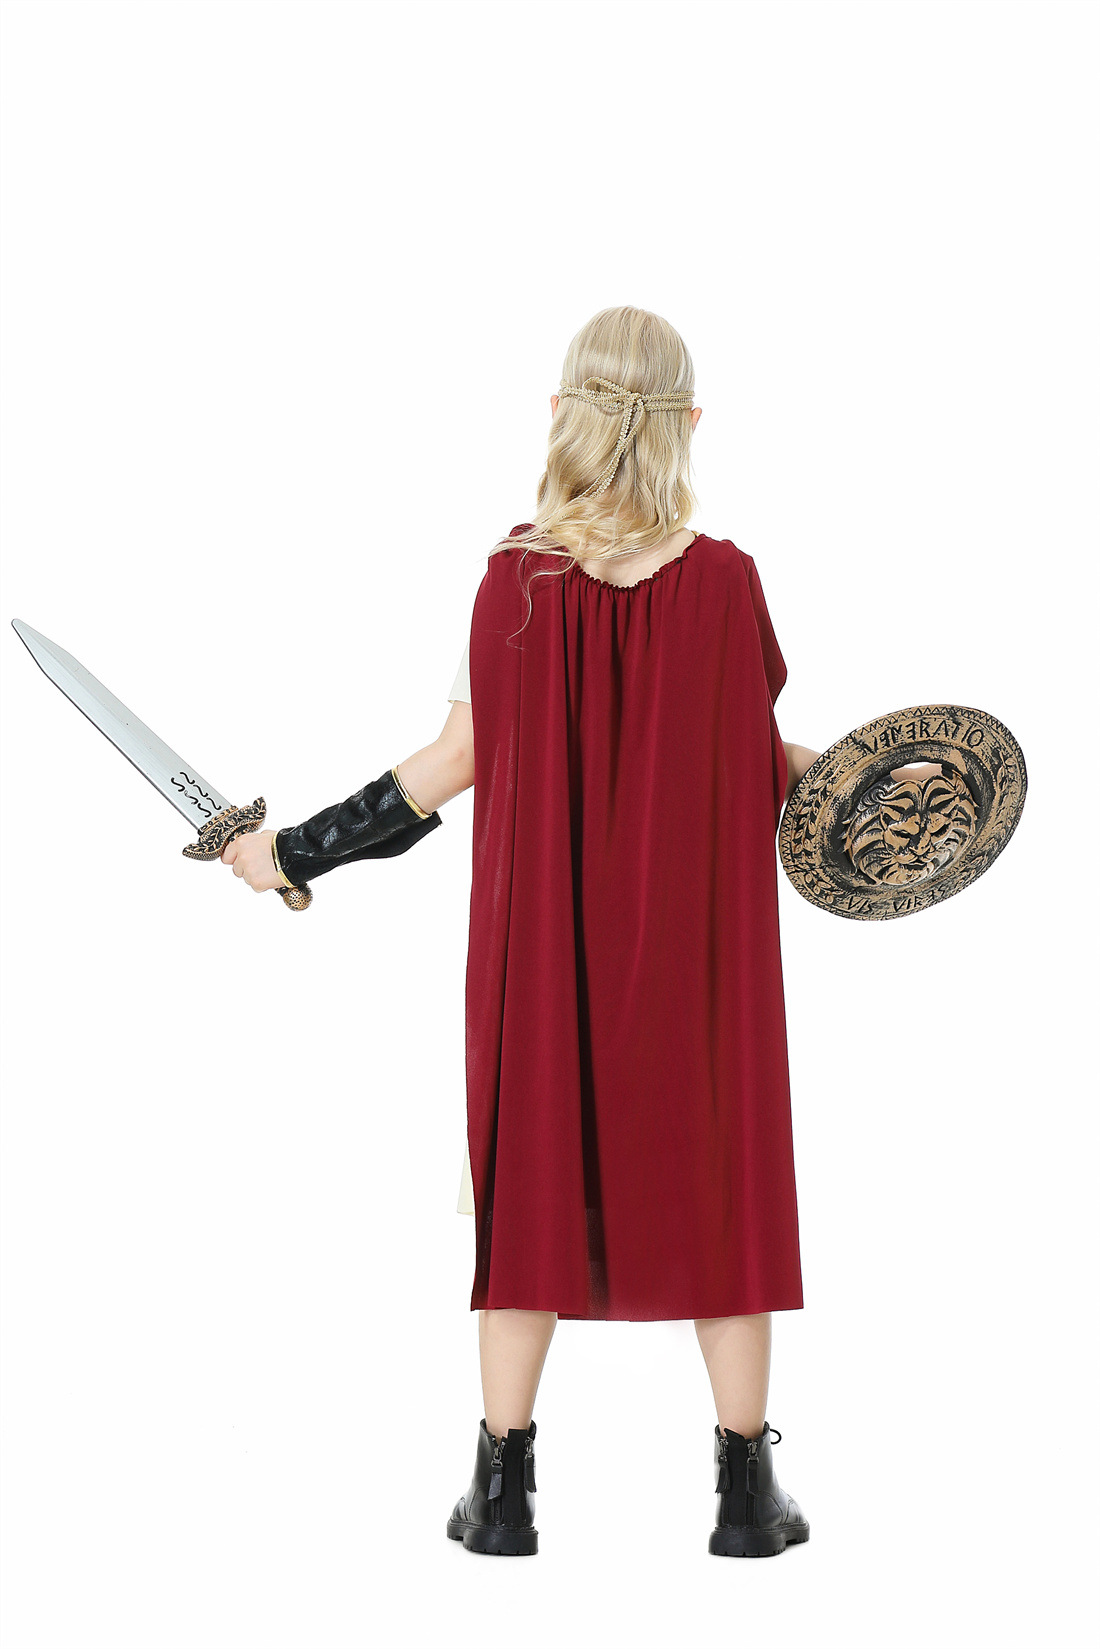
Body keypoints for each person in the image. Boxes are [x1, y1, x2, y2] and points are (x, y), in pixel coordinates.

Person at [219, 305, 941, 1559]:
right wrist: (883, 788)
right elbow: (753, 751)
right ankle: (744, 1497)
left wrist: (293, 851)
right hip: (696, 959)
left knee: (528, 1199)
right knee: (724, 1190)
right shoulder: (725, 581)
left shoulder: (514, 580)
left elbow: (452, 761)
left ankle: (500, 1495)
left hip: (543, 958)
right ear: (690, 423)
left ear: (558, 413)